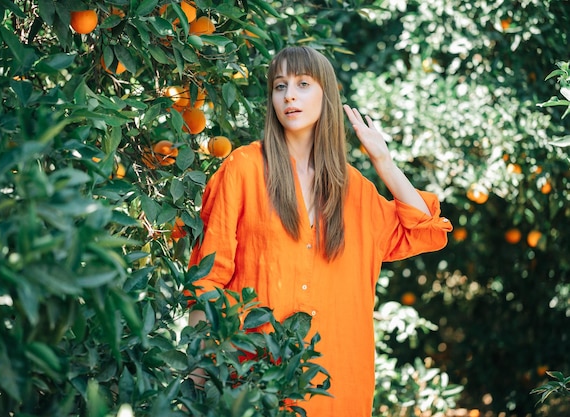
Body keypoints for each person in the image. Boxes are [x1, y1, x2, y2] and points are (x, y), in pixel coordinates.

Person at [187, 45, 452, 417]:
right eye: (280, 86)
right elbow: (207, 280)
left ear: (326, 95)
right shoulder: (243, 169)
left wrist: (384, 161)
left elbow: (423, 227)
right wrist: (195, 385)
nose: (289, 95)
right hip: (250, 382)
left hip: (337, 386)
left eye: (303, 83)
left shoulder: (354, 187)